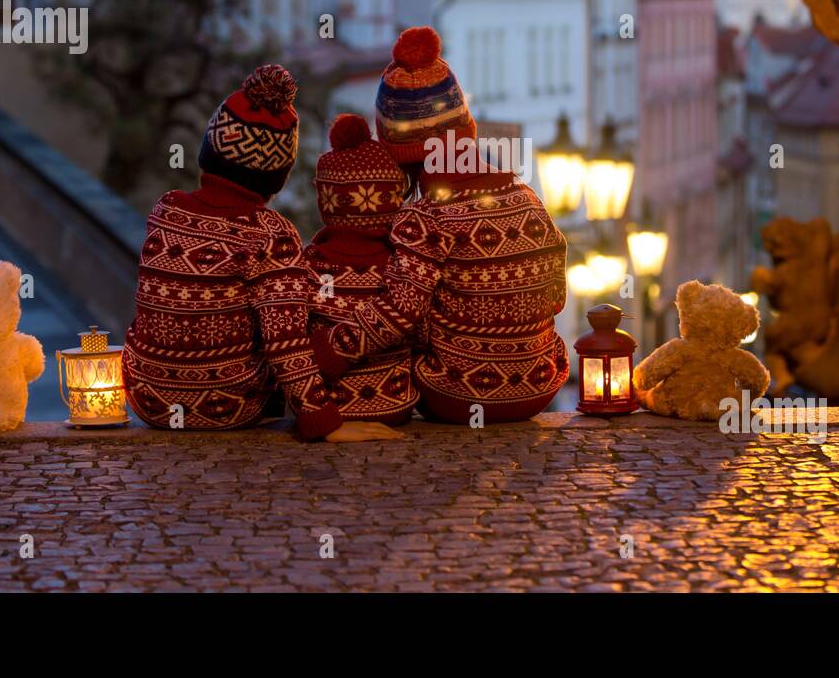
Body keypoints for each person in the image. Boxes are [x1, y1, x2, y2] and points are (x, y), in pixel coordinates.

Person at [120, 64, 396, 442]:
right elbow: (286, 342)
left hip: (147, 399)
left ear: (210, 148)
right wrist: (324, 422)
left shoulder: (166, 210)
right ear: (276, 174)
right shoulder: (270, 234)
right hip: (225, 407)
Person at [313, 27, 570, 423]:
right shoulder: (526, 197)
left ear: (401, 156)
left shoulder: (426, 219)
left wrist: (330, 349)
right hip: (539, 386)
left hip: (457, 396)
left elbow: (399, 312)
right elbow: (556, 296)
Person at [302, 114, 415, 430]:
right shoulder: (403, 262)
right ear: (392, 198)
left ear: (326, 200)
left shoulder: (308, 265)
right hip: (395, 406)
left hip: (331, 409)